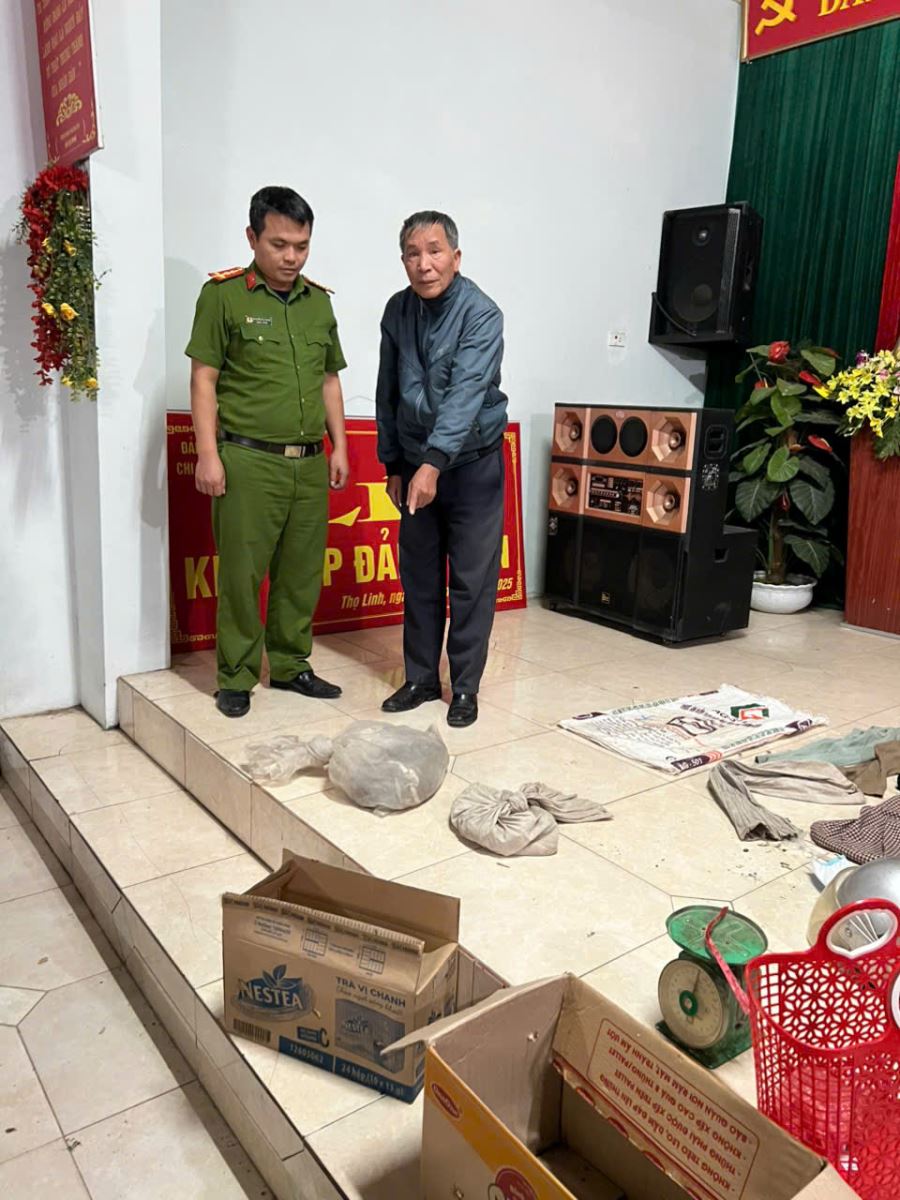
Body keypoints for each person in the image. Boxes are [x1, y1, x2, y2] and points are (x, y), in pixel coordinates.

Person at [185, 186, 349, 718]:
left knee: (301, 573)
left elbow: (329, 379)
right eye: (279, 245)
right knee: (242, 574)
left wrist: (340, 446)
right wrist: (207, 454)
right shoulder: (223, 297)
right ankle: (235, 676)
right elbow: (204, 378)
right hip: (248, 461)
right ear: (252, 237)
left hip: (309, 461)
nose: (291, 257)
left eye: (302, 246)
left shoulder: (318, 302)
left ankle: (290, 665)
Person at [376, 211, 508, 728]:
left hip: (472, 464)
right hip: (415, 464)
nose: (424, 264)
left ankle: (465, 687)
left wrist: (432, 463)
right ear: (402, 260)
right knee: (420, 577)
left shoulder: (482, 314)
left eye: (434, 251)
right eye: (413, 253)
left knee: (471, 582)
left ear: (456, 257)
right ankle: (421, 679)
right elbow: (388, 389)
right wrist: (394, 463)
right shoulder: (397, 310)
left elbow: (465, 394)